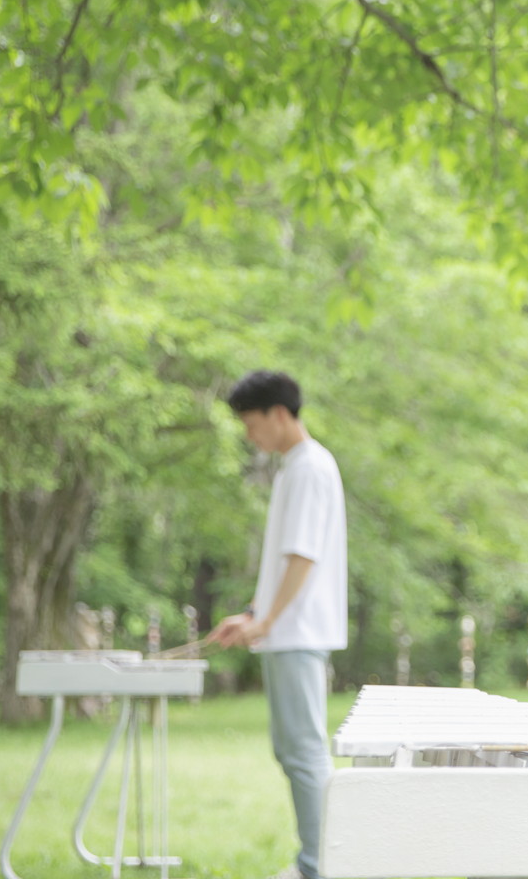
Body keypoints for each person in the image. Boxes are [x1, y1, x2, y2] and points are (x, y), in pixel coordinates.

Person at [209, 370, 348, 879]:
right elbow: (286, 563)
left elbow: (302, 557)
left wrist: (265, 620)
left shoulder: (311, 467)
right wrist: (251, 616)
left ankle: (321, 866)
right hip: (284, 630)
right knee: (291, 749)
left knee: (304, 751)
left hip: (297, 632)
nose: (250, 435)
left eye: (251, 423)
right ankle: (315, 861)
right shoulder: (294, 468)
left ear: (279, 414)